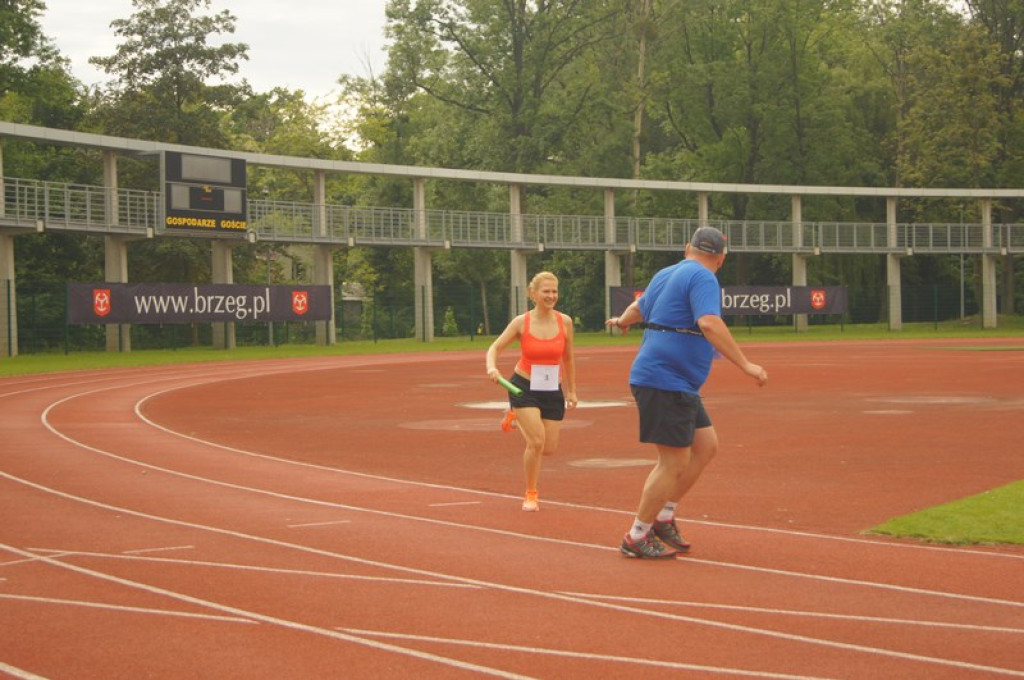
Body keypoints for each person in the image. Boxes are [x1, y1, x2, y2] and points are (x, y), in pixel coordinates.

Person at [606, 226, 768, 558]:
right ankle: (637, 535)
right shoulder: (705, 278)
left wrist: (622, 321)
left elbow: (639, 309)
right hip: (664, 380)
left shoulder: (666, 273)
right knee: (673, 460)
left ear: (687, 248)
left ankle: (663, 516)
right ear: (721, 258)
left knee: (705, 446)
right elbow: (709, 322)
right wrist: (746, 364)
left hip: (673, 381)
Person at [486, 271, 579, 511]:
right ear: (533, 294)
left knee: (548, 448)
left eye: (554, 291)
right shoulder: (521, 322)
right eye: (546, 291)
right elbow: (494, 348)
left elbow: (568, 359)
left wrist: (572, 391)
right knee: (536, 442)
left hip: (552, 388)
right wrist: (492, 368)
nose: (551, 296)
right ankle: (531, 494)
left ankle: (515, 416)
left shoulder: (565, 322)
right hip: (523, 387)